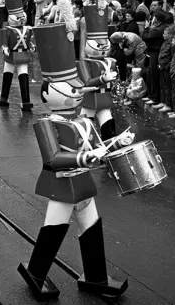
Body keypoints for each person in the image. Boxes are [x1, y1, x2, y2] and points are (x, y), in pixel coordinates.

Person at [18, 23, 132, 301]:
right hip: (60, 184)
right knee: (55, 229)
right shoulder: (47, 124)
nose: (76, 92)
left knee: (91, 225)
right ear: (46, 95)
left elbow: (95, 147)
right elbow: (54, 158)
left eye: (77, 87)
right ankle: (35, 273)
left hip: (81, 181)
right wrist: (85, 156)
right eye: (68, 88)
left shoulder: (82, 120)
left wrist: (114, 144)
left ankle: (95, 277)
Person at [77, 0, 118, 139]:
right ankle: (83, 150)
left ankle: (110, 148)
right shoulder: (84, 63)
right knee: (84, 129)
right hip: (89, 99)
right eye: (98, 43)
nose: (103, 46)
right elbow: (87, 83)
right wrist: (103, 79)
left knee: (109, 126)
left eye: (105, 42)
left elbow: (114, 83)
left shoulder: (109, 61)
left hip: (104, 99)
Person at [0, 0, 35, 111]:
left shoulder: (27, 29)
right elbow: (4, 42)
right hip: (11, 55)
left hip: (22, 55)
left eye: (21, 16)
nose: (20, 19)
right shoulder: (8, 30)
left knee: (23, 77)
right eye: (17, 16)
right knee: (7, 77)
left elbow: (29, 42)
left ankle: (26, 101)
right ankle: (4, 98)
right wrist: (5, 49)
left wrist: (31, 47)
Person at [142, 12, 167, 105]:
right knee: (150, 74)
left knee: (154, 75)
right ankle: (151, 95)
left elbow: (145, 37)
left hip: (155, 53)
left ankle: (154, 97)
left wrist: (146, 28)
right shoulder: (157, 27)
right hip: (152, 52)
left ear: (156, 19)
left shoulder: (159, 29)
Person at [153, 27, 175, 113]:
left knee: (167, 87)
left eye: (165, 34)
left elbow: (173, 58)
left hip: (167, 68)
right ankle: (163, 102)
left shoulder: (172, 45)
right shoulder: (164, 43)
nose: (163, 35)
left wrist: (166, 66)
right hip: (161, 67)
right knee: (162, 85)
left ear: (170, 35)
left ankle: (168, 104)